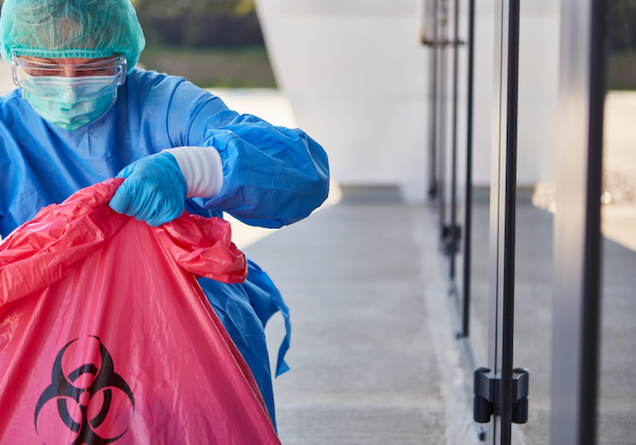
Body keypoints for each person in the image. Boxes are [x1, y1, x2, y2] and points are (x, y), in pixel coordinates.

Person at [0, 0, 329, 430]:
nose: (68, 90)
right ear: (14, 62)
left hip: (176, 325)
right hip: (37, 332)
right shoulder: (8, 134)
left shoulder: (163, 105)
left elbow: (301, 172)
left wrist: (192, 169)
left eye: (93, 68)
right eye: (44, 68)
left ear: (123, 59)